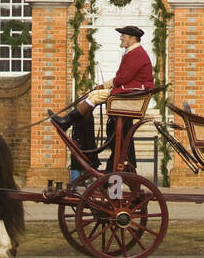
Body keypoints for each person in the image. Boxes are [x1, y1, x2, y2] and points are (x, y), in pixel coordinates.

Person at [49, 26, 154, 167]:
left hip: (133, 91)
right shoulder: (134, 52)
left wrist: (104, 86)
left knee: (94, 97)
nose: (121, 37)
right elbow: (122, 77)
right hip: (131, 89)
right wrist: (104, 86)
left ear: (133, 38)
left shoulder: (136, 53)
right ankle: (73, 121)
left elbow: (123, 78)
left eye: (124, 35)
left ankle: (67, 121)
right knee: (94, 95)